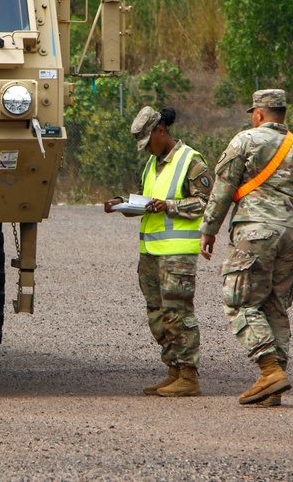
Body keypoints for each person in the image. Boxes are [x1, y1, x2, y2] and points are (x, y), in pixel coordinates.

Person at [199, 89, 293, 407]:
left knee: (239, 303)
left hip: (255, 231)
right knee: (274, 308)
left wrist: (209, 229)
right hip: (291, 234)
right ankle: (273, 389)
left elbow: (224, 188)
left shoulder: (246, 140)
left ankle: (269, 370)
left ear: (259, 114)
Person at [104, 106, 213, 397]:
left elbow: (206, 203)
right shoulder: (152, 164)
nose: (146, 150)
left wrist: (170, 205)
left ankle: (189, 376)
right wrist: (121, 204)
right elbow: (147, 202)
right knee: (157, 314)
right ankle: (174, 370)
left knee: (178, 313)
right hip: (151, 252)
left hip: (177, 254)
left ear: (161, 132)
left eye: (148, 142)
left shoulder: (191, 160)